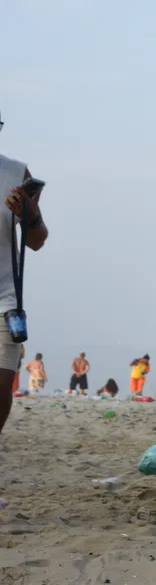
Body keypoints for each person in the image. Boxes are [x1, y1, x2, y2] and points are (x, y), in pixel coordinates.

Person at [0, 131, 49, 432]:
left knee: (2, 383)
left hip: (4, 301)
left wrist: (28, 216)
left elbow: (37, 241)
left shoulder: (16, 174)